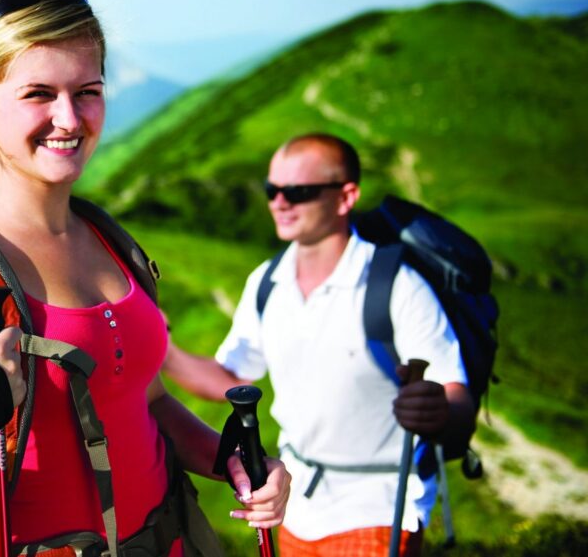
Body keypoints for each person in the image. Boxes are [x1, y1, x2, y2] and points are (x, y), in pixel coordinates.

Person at [0, 0, 290, 555]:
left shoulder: (109, 239)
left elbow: (148, 403)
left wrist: (236, 460)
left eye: (87, 91)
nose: (68, 118)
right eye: (39, 94)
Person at [163, 133, 475, 556]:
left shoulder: (397, 284)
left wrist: (439, 410)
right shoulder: (267, 281)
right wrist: (156, 347)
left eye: (298, 192)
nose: (279, 202)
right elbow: (231, 379)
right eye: (272, 189)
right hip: (295, 505)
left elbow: (456, 394)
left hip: (379, 506)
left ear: (346, 197)